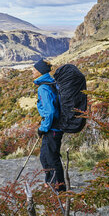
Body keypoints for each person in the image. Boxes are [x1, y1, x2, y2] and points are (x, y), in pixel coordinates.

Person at [32, 58, 66, 192]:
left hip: (52, 128)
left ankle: (59, 188)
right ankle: (51, 182)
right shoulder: (52, 83)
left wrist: (43, 128)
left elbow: (50, 112)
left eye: (34, 70)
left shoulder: (43, 88)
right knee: (45, 156)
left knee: (51, 158)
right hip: (56, 126)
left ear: (40, 72)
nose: (32, 72)